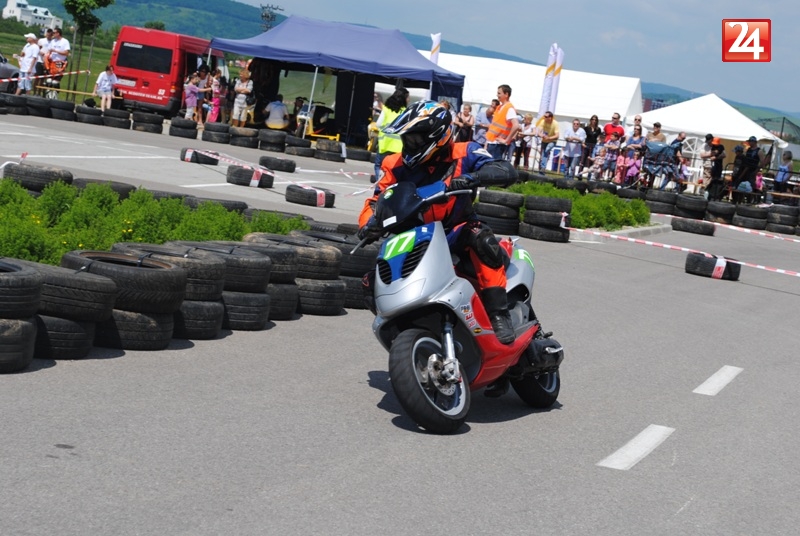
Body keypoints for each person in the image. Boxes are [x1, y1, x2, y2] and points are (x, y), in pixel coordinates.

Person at [358, 101, 518, 349]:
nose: (408, 144)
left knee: (481, 238)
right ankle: (400, 328)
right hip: (414, 235)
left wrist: (473, 177)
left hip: (456, 229)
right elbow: (377, 200)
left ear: (436, 136)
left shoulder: (465, 151)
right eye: (406, 139)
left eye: (414, 139)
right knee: (371, 281)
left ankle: (499, 313)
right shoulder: (394, 164)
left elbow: (504, 169)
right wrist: (369, 223)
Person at [373, 87, 409, 182]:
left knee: (379, 166)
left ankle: (380, 185)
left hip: (385, 145)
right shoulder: (405, 111)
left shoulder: (386, 109)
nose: (408, 100)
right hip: (398, 147)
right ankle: (390, 185)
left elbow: (378, 124)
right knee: (395, 169)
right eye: (407, 97)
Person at [485, 84, 520, 161]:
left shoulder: (509, 108)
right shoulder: (499, 107)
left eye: (499, 93)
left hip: (497, 145)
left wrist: (506, 140)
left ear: (506, 94)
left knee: (493, 166)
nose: (497, 95)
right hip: (492, 143)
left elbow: (516, 125)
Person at [33, 28, 53, 96]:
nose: (48, 35)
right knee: (37, 78)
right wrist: (40, 52)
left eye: (50, 35)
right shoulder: (41, 40)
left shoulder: (52, 42)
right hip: (40, 60)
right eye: (47, 34)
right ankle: (34, 92)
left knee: (43, 79)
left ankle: (40, 92)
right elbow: (37, 48)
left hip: (47, 62)